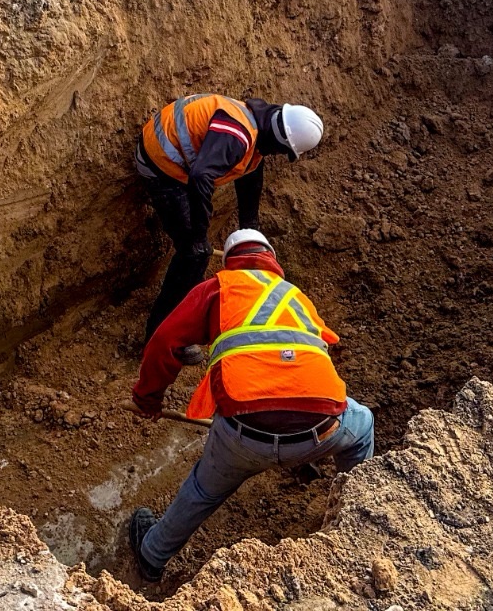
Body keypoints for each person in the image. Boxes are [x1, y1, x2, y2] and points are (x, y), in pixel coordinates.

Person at [126, 231, 375, 581]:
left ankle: (152, 554)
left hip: (243, 436)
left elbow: (164, 341)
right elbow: (314, 362)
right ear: (273, 260)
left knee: (203, 489)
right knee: (362, 425)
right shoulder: (297, 297)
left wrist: (147, 399)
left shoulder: (217, 288)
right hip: (324, 429)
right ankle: (355, 515)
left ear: (228, 262)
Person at [138, 95, 324, 345]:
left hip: (178, 160)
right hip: (161, 164)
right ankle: (159, 338)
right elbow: (201, 176)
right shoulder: (237, 135)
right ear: (279, 141)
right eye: (284, 151)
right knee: (193, 255)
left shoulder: (257, 128)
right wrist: (199, 237)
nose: (280, 155)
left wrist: (251, 228)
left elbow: (251, 171)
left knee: (198, 249)